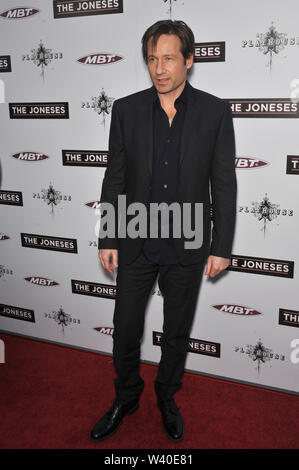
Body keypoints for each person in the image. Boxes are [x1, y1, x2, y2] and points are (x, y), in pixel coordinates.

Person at [90, 19, 237, 443]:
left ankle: (167, 398)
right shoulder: (126, 108)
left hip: (189, 242)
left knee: (176, 333)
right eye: (152, 59)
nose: (159, 68)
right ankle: (126, 396)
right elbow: (114, 176)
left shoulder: (214, 111)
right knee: (124, 330)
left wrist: (221, 246)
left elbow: (223, 183)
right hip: (135, 238)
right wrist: (108, 236)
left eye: (169, 58)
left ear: (189, 61)